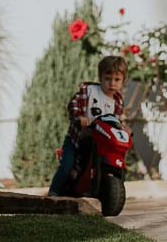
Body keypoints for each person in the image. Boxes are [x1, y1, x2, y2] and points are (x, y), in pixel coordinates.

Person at [47, 55, 127, 197]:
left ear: (123, 81)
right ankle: (54, 191)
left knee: (102, 163)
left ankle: (97, 190)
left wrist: (123, 128)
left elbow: (117, 120)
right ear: (100, 77)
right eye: (107, 79)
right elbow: (74, 104)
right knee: (67, 166)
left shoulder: (118, 101)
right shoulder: (89, 91)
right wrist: (79, 117)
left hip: (99, 142)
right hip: (77, 139)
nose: (112, 83)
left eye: (117, 80)